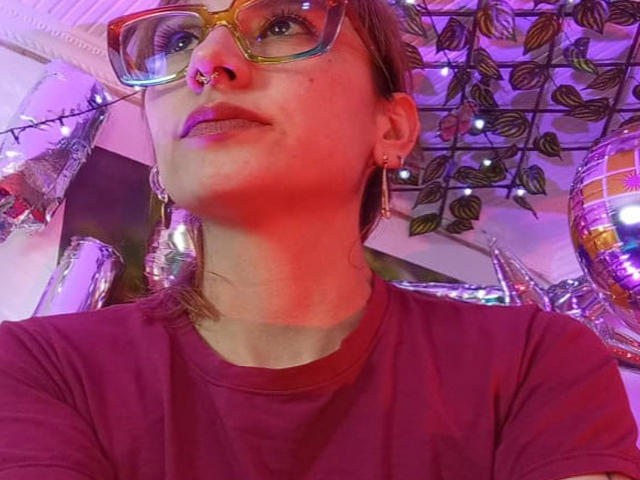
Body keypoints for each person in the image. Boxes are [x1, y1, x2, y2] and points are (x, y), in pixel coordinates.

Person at [0, 0, 639, 479]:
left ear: (391, 128)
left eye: (282, 24)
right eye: (178, 39)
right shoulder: (34, 371)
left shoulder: (532, 364)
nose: (206, 62)